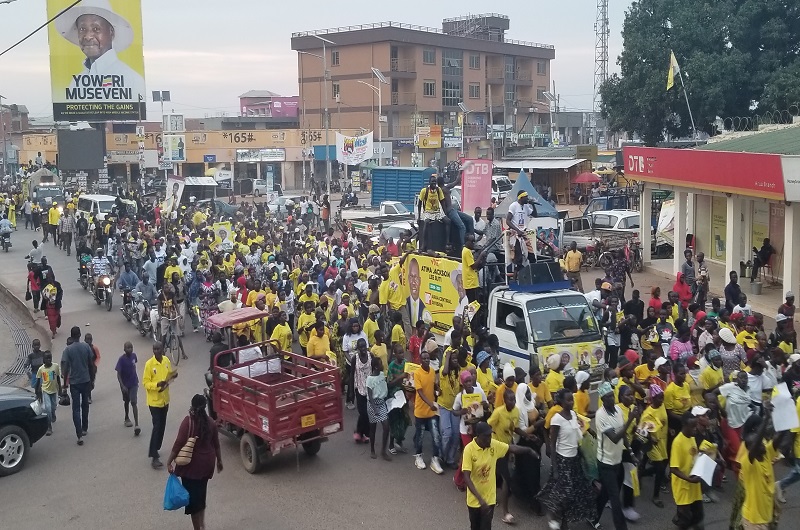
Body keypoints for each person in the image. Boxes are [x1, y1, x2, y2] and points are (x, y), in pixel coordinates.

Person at [55, 1, 146, 107]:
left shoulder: (132, 79)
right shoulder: (76, 83)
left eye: (96, 29)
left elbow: (133, 116)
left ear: (111, 31)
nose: (88, 36)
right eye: (82, 29)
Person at [536, 389, 597, 528]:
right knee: (564, 492)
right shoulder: (557, 419)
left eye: (572, 399)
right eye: (568, 400)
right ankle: (552, 512)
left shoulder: (574, 415)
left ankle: (564, 522)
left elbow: (577, 436)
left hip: (574, 459)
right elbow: (552, 443)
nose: (571, 402)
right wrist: (555, 468)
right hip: (562, 460)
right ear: (561, 402)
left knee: (575, 492)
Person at [462, 421, 537, 530]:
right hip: (474, 499)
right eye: (486, 436)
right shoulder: (469, 450)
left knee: (486, 527)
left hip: (489, 498)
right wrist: (480, 500)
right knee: (475, 526)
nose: (489, 439)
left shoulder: (493, 445)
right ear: (478, 436)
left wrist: (529, 450)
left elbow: (511, 448)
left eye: (490, 435)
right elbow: (466, 477)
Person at [167, 394, 223, 530]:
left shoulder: (188, 422)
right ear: (205, 407)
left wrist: (169, 462)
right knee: (201, 495)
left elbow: (178, 444)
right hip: (207, 465)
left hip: (191, 467)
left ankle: (197, 528)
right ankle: (202, 524)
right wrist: (219, 461)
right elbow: (216, 445)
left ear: (192, 406)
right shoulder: (211, 422)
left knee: (193, 502)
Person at [592, 382, 642, 530]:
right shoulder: (600, 415)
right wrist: (631, 419)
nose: (611, 399)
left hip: (617, 460)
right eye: (607, 397)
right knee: (615, 499)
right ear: (602, 399)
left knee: (606, 494)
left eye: (612, 396)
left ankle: (593, 517)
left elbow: (623, 435)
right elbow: (614, 437)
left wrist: (631, 453)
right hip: (605, 462)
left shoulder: (618, 411)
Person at [143, 341, 177, 469]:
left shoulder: (166, 360)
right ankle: (154, 456)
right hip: (154, 401)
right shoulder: (149, 365)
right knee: (157, 426)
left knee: (162, 425)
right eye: (154, 349)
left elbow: (168, 376)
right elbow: (145, 383)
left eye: (158, 349)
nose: (156, 351)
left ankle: (156, 447)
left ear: (163, 349)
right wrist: (157, 385)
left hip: (165, 399)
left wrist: (173, 376)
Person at [61, 326, 96, 446]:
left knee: (76, 408)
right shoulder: (86, 347)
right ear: (80, 334)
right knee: (85, 404)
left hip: (74, 383)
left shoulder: (68, 350)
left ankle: (79, 434)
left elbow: (65, 368)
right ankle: (85, 427)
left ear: (71, 336)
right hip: (85, 380)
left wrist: (65, 384)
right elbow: (91, 364)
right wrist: (92, 380)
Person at [670, 412, 704, 530]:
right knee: (685, 520)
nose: (695, 429)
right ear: (684, 425)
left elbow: (693, 456)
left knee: (698, 516)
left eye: (696, 426)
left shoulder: (692, 438)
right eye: (693, 427)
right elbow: (673, 469)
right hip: (683, 486)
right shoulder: (677, 443)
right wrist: (689, 479)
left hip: (694, 486)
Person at [413, 350, 444, 474]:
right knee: (419, 436)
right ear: (420, 360)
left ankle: (435, 459)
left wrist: (438, 389)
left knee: (436, 436)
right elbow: (420, 392)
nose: (426, 360)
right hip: (421, 411)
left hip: (432, 412)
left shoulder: (432, 371)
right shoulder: (417, 373)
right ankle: (418, 456)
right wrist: (430, 403)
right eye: (424, 358)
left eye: (427, 358)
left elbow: (433, 384)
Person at [366, 356, 391, 461]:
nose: (382, 365)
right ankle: (372, 449)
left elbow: (385, 386)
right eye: (380, 363)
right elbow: (370, 396)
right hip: (373, 405)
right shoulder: (370, 379)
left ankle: (383, 451)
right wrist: (374, 408)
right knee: (373, 429)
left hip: (381, 403)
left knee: (386, 427)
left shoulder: (382, 375)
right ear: (376, 367)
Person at [115, 341, 140, 436]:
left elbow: (134, 367)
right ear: (124, 349)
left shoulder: (134, 356)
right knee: (126, 401)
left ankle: (137, 424)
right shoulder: (121, 360)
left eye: (131, 347)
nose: (130, 349)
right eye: (127, 347)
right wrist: (122, 385)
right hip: (125, 385)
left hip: (134, 383)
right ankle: (126, 417)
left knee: (133, 401)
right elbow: (118, 374)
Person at [35, 351, 61, 436]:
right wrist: (37, 392)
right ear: (44, 359)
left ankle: (53, 414)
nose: (49, 359)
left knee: (53, 406)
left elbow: (58, 378)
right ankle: (49, 427)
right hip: (45, 390)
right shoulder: (41, 369)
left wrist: (60, 389)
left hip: (54, 391)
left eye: (50, 357)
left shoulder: (55, 366)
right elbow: (38, 381)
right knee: (48, 408)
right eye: (47, 358)